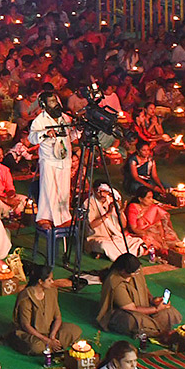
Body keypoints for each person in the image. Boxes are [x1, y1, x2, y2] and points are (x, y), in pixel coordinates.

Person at [96, 252, 182, 340]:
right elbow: (131, 308)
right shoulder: (115, 282)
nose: (136, 273)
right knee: (136, 321)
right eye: (134, 272)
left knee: (168, 312)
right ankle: (155, 331)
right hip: (124, 313)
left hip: (143, 306)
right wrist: (156, 309)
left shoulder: (136, 270)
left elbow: (144, 288)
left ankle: (154, 329)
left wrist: (152, 300)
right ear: (123, 271)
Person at [28, 90, 75, 228]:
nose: (56, 105)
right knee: (49, 190)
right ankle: (45, 218)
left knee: (64, 189)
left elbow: (70, 137)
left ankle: (63, 217)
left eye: (56, 101)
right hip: (49, 159)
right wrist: (46, 133)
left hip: (64, 159)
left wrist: (77, 131)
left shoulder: (65, 118)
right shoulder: (40, 120)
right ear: (44, 105)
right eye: (52, 102)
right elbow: (32, 138)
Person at [9, 266, 81, 355]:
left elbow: (58, 317)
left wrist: (52, 336)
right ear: (40, 281)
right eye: (49, 280)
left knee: (75, 330)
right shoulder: (26, 297)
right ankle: (51, 346)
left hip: (50, 330)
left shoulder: (51, 291)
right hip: (33, 334)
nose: (52, 282)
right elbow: (26, 325)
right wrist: (47, 340)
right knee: (36, 347)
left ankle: (51, 346)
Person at [85, 183, 146, 260]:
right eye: (100, 192)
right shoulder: (88, 203)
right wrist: (108, 214)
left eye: (105, 192)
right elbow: (91, 226)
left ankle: (107, 255)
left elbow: (123, 226)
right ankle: (122, 255)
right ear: (94, 191)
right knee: (104, 245)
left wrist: (120, 212)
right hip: (98, 238)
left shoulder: (111, 201)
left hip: (115, 238)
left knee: (137, 241)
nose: (103, 195)